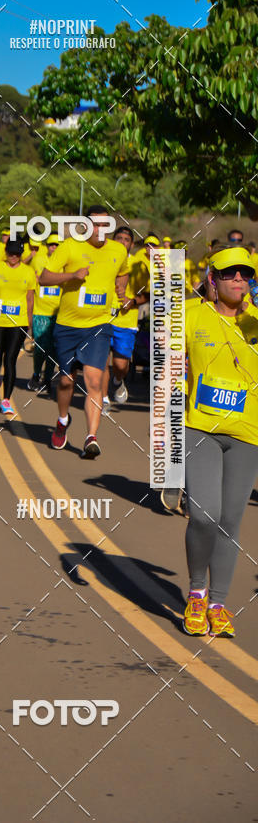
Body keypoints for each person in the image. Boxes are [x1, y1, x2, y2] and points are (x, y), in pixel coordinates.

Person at [183, 246, 258, 638]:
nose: (238, 281)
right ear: (212, 279)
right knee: (204, 514)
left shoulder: (256, 323)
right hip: (200, 429)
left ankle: (218, 602)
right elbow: (166, 370)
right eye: (229, 274)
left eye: (245, 274)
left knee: (230, 520)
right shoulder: (190, 316)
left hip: (248, 436)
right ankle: (196, 592)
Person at [40, 206, 128, 457]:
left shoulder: (118, 250)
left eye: (106, 226)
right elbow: (44, 278)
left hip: (99, 326)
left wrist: (121, 290)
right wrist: (72, 275)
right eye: (97, 225)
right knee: (67, 381)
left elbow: (122, 273)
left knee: (94, 381)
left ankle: (91, 437)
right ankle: (62, 419)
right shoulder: (70, 246)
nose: (102, 231)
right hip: (68, 326)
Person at [0, 237, 36, 415]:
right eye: (10, 253)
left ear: (21, 254)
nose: (13, 256)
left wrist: (30, 324)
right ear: (6, 253)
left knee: (10, 360)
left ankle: (5, 399)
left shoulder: (28, 272)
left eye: (17, 254)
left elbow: (29, 299)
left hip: (17, 323)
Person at [102, 226, 137, 410]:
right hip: (103, 317)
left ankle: (117, 380)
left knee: (120, 364)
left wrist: (132, 300)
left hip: (126, 320)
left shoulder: (138, 264)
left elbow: (146, 291)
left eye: (126, 239)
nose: (123, 242)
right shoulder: (103, 258)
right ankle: (103, 398)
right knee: (101, 361)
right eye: (119, 238)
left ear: (131, 244)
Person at [28, 233, 61, 396]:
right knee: (40, 348)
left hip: (58, 314)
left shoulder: (66, 264)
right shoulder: (38, 261)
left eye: (57, 245)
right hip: (40, 312)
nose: (54, 248)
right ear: (47, 246)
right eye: (51, 245)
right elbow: (30, 285)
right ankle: (36, 373)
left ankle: (48, 379)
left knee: (53, 351)